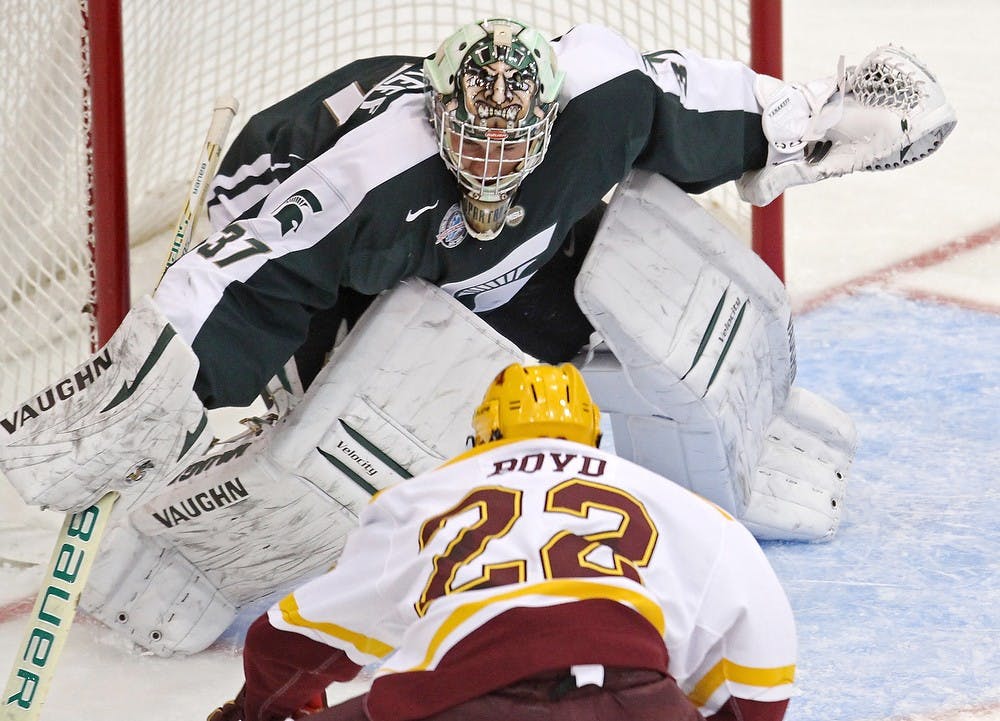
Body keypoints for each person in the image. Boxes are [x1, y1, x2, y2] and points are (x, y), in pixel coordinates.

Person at [0, 17, 953, 656]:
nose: (491, 161)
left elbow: (716, 102)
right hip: (337, 259)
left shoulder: (602, 98)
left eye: (515, 140)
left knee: (640, 271)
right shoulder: (357, 180)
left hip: (507, 266)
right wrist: (160, 386)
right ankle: (186, 552)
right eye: (472, 137)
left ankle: (741, 423)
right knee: (364, 441)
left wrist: (830, 118)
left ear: (549, 117)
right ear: (436, 111)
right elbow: (239, 282)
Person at [206, 363, 798, 721]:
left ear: (482, 438)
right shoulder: (684, 508)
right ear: (594, 437)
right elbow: (761, 667)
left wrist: (263, 710)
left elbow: (287, 641)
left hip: (461, 701)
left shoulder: (427, 496)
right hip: (635, 702)